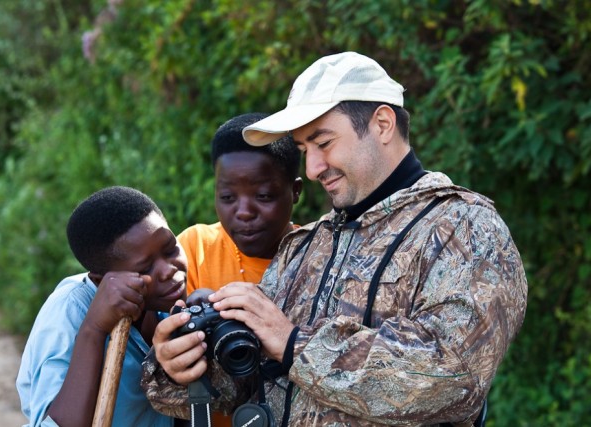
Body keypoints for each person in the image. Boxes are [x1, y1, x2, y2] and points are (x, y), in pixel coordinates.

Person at [142, 52, 528, 426]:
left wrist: (295, 344)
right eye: (304, 149)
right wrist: (179, 363)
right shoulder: (304, 247)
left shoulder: (464, 228)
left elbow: (453, 378)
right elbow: (238, 382)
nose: (312, 168)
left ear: (381, 124)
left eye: (323, 143)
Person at [17, 186, 186, 427]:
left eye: (170, 248)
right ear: (101, 280)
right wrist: (94, 329)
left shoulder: (168, 305)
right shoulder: (68, 312)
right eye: (145, 268)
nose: (169, 269)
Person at [177, 112, 302, 427]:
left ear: (296, 192)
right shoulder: (194, 249)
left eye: (263, 196)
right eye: (228, 197)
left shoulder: (317, 258)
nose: (244, 212)